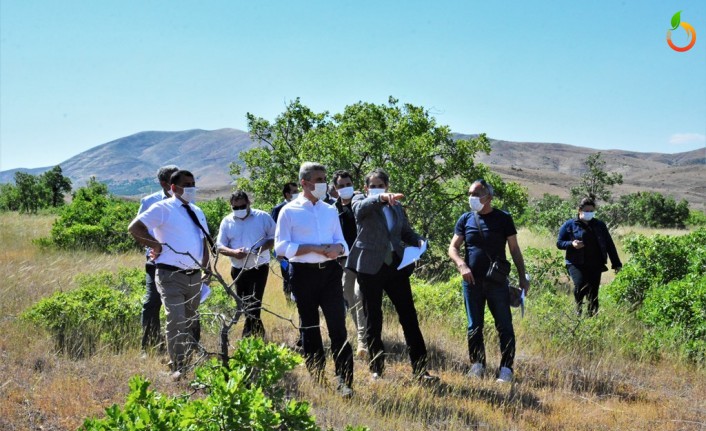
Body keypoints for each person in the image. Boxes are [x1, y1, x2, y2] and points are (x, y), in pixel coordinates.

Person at [347, 168, 438, 383]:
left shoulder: (396, 207)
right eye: (373, 186)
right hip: (369, 268)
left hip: (395, 266)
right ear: (366, 188)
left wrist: (419, 240)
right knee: (373, 320)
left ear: (387, 185)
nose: (377, 188)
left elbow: (405, 231)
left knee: (409, 317)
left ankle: (420, 370)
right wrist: (379, 198)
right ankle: (376, 369)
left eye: (381, 185)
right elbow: (358, 210)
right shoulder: (361, 201)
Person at [274, 162, 354, 398]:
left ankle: (344, 380)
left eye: (324, 179)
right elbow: (281, 247)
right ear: (304, 183)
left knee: (338, 327)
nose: (323, 184)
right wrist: (312, 247)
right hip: (303, 275)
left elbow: (343, 243)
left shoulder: (329, 210)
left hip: (330, 273)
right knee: (309, 327)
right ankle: (317, 375)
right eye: (318, 179)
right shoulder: (289, 211)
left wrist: (337, 248)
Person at [128, 170, 211, 381]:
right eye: (186, 184)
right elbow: (135, 227)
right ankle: (179, 366)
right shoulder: (162, 208)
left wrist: (207, 271)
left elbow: (202, 242)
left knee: (191, 318)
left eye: (193, 183)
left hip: (194, 276)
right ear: (173, 188)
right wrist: (154, 244)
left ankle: (192, 359)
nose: (191, 188)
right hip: (170, 275)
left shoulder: (197, 210)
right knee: (175, 320)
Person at [447, 179, 529, 383]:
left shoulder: (503, 219)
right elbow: (453, 248)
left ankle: (506, 369)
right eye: (470, 194)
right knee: (474, 325)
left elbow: (514, 250)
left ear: (489, 197)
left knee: (504, 325)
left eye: (476, 194)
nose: (471, 198)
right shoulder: (465, 219)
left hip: (497, 283)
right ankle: (477, 364)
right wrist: (461, 265)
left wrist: (522, 276)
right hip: (472, 282)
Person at [217, 190, 275, 338]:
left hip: (258, 267)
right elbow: (220, 246)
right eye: (235, 208)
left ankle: (249, 336)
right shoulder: (227, 221)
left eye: (242, 206)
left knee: (254, 304)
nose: (238, 210)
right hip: (237, 269)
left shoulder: (262, 217)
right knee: (244, 304)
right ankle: (257, 335)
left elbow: (275, 237)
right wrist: (234, 252)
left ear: (249, 203)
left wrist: (259, 249)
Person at [136, 164, 179, 356]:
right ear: (163, 183)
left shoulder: (187, 201)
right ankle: (151, 346)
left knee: (186, 304)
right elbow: (139, 230)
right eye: (173, 180)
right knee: (151, 303)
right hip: (156, 263)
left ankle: (186, 345)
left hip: (182, 263)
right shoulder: (149, 202)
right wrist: (155, 246)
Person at [557, 197, 622, 317]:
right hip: (575, 263)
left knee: (593, 292)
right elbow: (559, 243)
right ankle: (578, 311)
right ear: (579, 210)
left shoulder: (599, 225)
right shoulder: (569, 225)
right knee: (580, 285)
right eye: (586, 210)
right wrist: (571, 244)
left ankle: (592, 317)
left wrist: (616, 263)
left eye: (591, 211)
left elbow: (609, 244)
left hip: (595, 264)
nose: (589, 213)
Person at [331, 170, 368, 359]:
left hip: (363, 258)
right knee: (349, 297)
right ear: (335, 189)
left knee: (359, 295)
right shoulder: (332, 209)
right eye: (341, 185)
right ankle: (364, 334)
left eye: (348, 184)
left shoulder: (360, 203)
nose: (345, 188)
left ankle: (363, 341)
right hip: (344, 261)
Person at [270, 182, 300, 299]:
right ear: (287, 194)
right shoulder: (278, 209)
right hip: (284, 250)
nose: (298, 194)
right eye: (294, 192)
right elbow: (273, 231)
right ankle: (288, 301)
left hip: (299, 248)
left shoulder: (301, 206)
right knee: (287, 276)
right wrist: (278, 252)